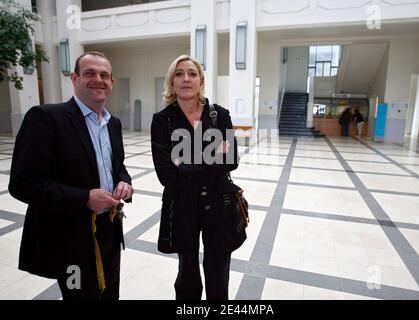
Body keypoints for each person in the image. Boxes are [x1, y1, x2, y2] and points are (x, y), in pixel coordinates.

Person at [9, 51, 134, 300]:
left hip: (109, 229)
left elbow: (117, 167)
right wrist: (84, 198)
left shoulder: (113, 124)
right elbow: (22, 183)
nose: (98, 79)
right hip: (70, 237)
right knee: (80, 296)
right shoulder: (45, 118)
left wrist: (124, 181)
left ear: (112, 82)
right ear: (74, 78)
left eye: (104, 75)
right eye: (89, 73)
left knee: (109, 294)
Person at [151, 55, 245, 300]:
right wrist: (211, 156)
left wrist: (185, 164)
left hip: (218, 203)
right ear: (172, 81)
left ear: (200, 80)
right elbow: (166, 174)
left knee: (218, 272)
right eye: (179, 74)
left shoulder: (218, 115)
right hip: (182, 205)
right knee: (187, 273)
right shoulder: (162, 121)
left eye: (192, 73)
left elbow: (231, 160)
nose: (186, 79)